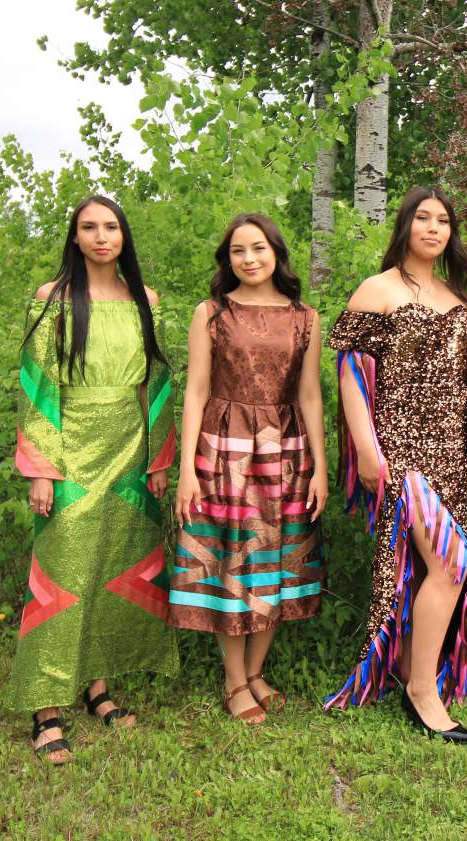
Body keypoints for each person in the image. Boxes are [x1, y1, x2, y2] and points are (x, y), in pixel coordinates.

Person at [7, 196, 177, 763]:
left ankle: (97, 688)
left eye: (111, 227)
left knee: (113, 567)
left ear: (123, 236)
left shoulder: (144, 300)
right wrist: (42, 468)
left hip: (129, 453)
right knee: (61, 574)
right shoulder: (52, 299)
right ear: (75, 237)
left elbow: (155, 384)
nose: (102, 236)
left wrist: (158, 459)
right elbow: (38, 386)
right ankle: (45, 707)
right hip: (70, 455)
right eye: (89, 227)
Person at [323, 187, 467, 745]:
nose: (433, 228)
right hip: (400, 448)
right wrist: (368, 450)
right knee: (451, 565)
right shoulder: (378, 288)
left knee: (431, 569)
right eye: (423, 217)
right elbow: (350, 374)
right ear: (406, 225)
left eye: (444, 220)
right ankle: (422, 692)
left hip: (451, 452)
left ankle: (413, 667)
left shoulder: (458, 297)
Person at [169, 214, 327, 724]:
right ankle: (234, 681)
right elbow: (196, 391)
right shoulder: (211, 313)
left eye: (258, 248)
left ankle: (256, 672)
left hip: (286, 450)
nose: (249, 259)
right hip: (225, 449)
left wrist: (320, 468)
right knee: (231, 561)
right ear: (227, 259)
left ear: (276, 252)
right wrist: (187, 469)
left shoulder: (305, 317)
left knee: (274, 558)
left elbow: (310, 395)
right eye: (238, 251)